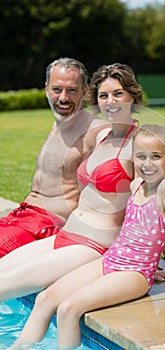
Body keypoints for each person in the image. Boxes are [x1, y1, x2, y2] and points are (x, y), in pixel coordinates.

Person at [8, 123, 165, 350]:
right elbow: (161, 236)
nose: (147, 163)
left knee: (68, 309)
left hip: (134, 272)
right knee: (45, 299)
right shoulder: (136, 185)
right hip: (110, 260)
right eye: (140, 156)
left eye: (155, 156)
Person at [0, 63, 165, 302]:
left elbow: (154, 211)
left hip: (92, 245)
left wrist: (161, 265)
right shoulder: (102, 135)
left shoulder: (138, 146)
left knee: (3, 286)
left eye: (118, 93)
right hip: (67, 234)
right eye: (103, 95)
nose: (110, 101)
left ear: (133, 96)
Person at [0, 57, 108, 257]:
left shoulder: (96, 131)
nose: (63, 98)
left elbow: (120, 194)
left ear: (85, 92)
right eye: (57, 90)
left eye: (72, 90)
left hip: (48, 225)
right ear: (46, 89)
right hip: (22, 217)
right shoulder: (60, 120)